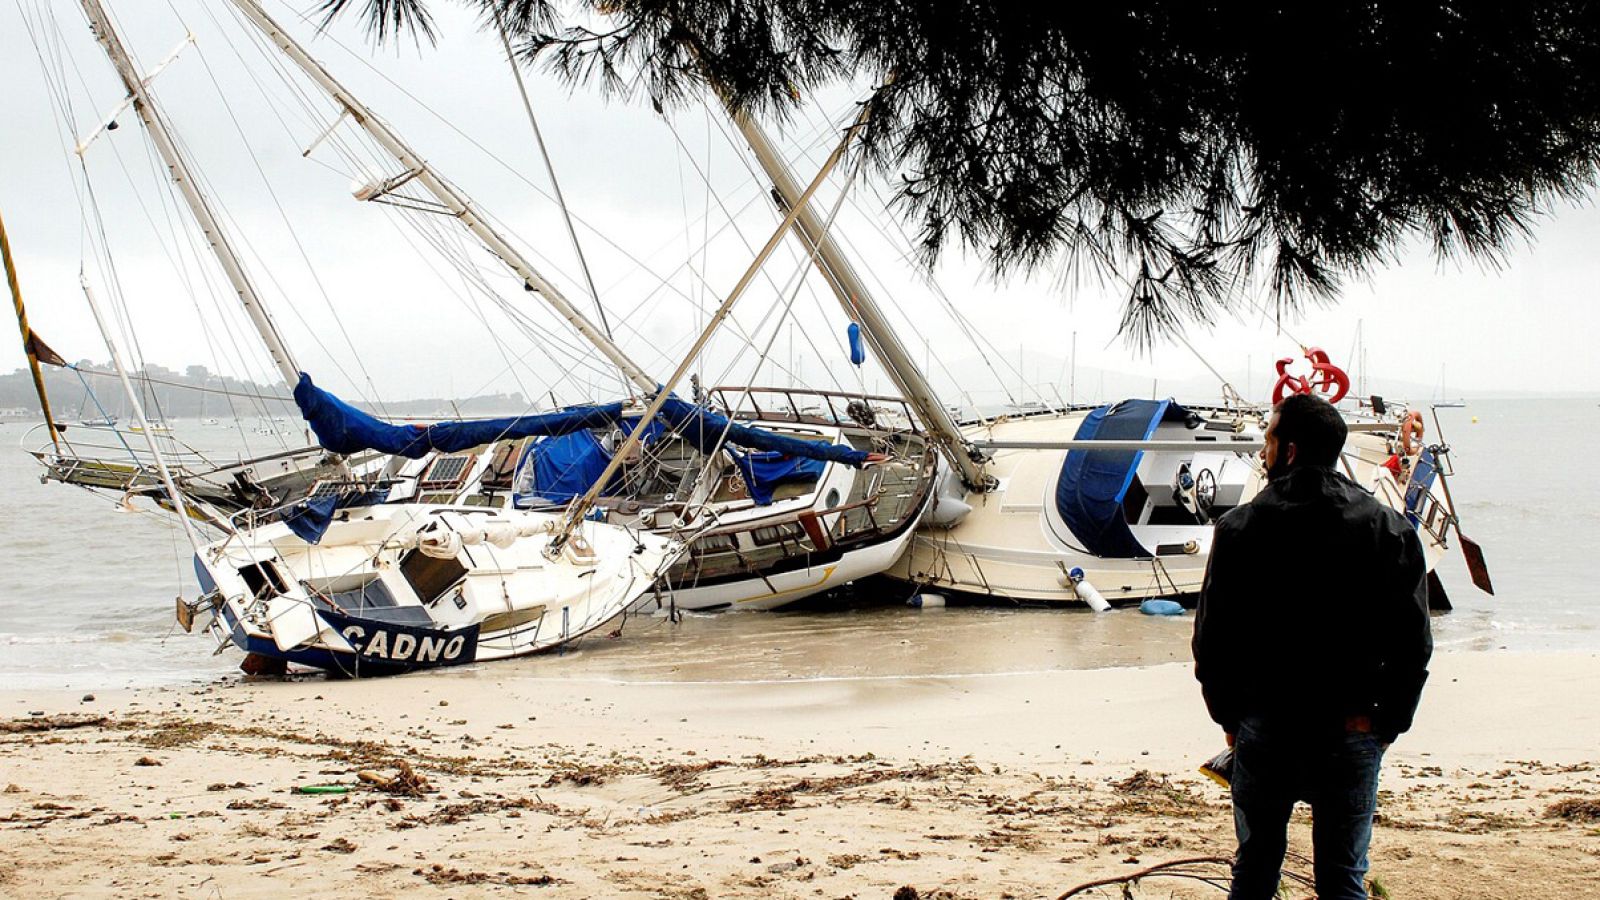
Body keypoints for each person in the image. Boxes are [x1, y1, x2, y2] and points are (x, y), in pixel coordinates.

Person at [1192, 393, 1432, 900]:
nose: (1263, 452)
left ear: (1292, 450)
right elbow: (1413, 643)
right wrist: (1387, 722)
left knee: (1254, 871)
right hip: (1351, 727)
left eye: (1269, 440)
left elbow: (1212, 640)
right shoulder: (1388, 529)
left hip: (1266, 725)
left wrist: (1230, 719)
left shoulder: (1238, 529)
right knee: (1342, 878)